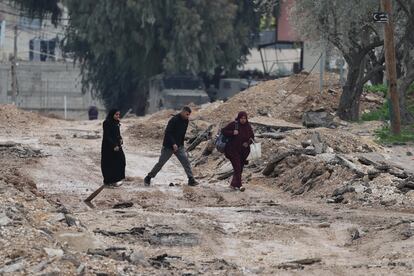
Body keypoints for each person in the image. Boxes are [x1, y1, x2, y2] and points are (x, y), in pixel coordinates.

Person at [144, 106, 199, 186]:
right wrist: (173, 143)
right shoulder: (174, 120)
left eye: (189, 115)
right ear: (183, 112)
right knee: (160, 163)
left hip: (179, 146)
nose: (188, 116)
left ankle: (191, 179)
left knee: (186, 162)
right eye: (187, 114)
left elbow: (182, 134)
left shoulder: (186, 121)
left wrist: (182, 145)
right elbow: (168, 133)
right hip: (168, 146)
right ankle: (148, 177)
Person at [222, 111, 254, 191]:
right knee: (237, 167)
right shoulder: (234, 124)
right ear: (239, 118)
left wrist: (248, 143)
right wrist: (232, 132)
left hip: (244, 151)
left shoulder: (248, 126)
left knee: (240, 168)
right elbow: (223, 131)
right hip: (233, 150)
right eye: (241, 118)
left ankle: (233, 184)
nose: (243, 120)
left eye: (245, 118)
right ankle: (240, 185)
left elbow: (252, 137)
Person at [101, 109, 126, 187]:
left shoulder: (117, 122)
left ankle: (116, 180)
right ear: (112, 114)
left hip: (117, 145)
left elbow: (117, 133)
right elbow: (107, 136)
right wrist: (113, 145)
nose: (118, 116)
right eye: (116, 114)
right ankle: (108, 182)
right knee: (109, 164)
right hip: (108, 146)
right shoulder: (106, 123)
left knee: (121, 161)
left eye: (119, 114)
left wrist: (121, 139)